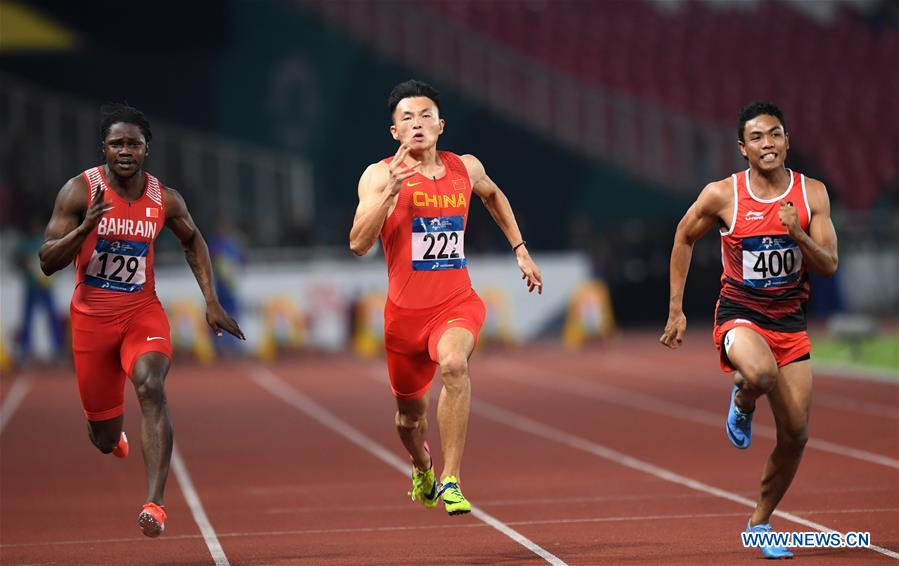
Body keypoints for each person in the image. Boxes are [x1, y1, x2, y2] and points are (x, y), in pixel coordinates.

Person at [39, 104, 245, 537]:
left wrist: (211, 300)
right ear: (104, 149)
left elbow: (194, 241)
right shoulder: (79, 192)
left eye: (133, 143)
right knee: (102, 437)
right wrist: (82, 230)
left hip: (140, 313)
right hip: (92, 320)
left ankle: (155, 503)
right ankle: (115, 440)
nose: (125, 151)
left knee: (151, 385)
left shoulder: (163, 199)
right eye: (117, 144)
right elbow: (46, 261)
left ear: (147, 148)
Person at [349, 80, 543, 515]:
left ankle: (451, 481)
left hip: (456, 302)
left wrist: (520, 248)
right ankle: (423, 466)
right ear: (394, 133)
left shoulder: (466, 168)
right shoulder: (378, 175)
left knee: (455, 364)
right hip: (404, 319)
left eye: (424, 116)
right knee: (408, 419)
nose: (417, 124)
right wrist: (389, 194)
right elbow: (359, 244)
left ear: (440, 124)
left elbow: (493, 196)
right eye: (406, 119)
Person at [660, 102, 838, 559]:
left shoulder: (812, 193)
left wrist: (798, 234)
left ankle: (759, 522)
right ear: (743, 148)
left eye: (775, 134)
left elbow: (830, 265)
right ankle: (742, 398)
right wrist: (676, 310)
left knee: (796, 436)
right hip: (741, 314)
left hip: (790, 324)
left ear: (787, 141)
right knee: (760, 375)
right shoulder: (723, 195)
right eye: (757, 137)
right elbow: (683, 235)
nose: (768, 144)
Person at [15, 216, 65, 363]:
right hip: (31, 287)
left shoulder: (44, 241)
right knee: (28, 319)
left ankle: (59, 349)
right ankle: (25, 351)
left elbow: (55, 258)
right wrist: (24, 264)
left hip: (45, 287)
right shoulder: (24, 244)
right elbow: (16, 260)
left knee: (53, 318)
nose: (34, 228)